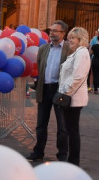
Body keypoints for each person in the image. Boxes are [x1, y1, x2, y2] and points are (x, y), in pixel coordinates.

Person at [27, 20, 71, 162]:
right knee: (41, 124)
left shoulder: (69, 49)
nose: (51, 33)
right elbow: (40, 67)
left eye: (55, 31)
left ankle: (62, 155)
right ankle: (38, 152)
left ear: (63, 33)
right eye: (50, 30)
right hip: (45, 88)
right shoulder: (43, 49)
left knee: (62, 126)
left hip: (60, 90)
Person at [57, 26, 91, 166]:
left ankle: (74, 161)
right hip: (71, 96)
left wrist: (64, 92)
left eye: (72, 38)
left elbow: (78, 77)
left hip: (73, 98)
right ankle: (72, 160)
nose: (69, 40)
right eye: (69, 38)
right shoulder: (77, 52)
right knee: (71, 129)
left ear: (80, 39)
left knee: (72, 130)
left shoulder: (82, 53)